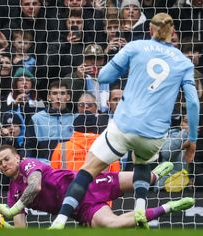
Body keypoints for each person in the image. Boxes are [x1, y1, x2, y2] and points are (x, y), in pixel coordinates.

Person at [50, 13, 200, 229]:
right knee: (143, 164)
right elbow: (193, 103)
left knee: (88, 169)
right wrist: (192, 140)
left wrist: (127, 68)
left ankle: (60, 220)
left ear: (150, 29)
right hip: (154, 134)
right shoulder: (184, 62)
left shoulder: (135, 47)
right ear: (173, 33)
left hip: (124, 125)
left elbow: (103, 77)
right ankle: (139, 211)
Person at [0, 145, 195, 229]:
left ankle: (155, 174)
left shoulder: (29, 164)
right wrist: (4, 226)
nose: (4, 165)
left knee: (143, 179)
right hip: (81, 210)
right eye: (0, 163)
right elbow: (21, 229)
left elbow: (35, 186)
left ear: (18, 158)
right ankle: (169, 207)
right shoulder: (12, 193)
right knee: (113, 225)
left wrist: (12, 210)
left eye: (7, 159)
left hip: (87, 184)